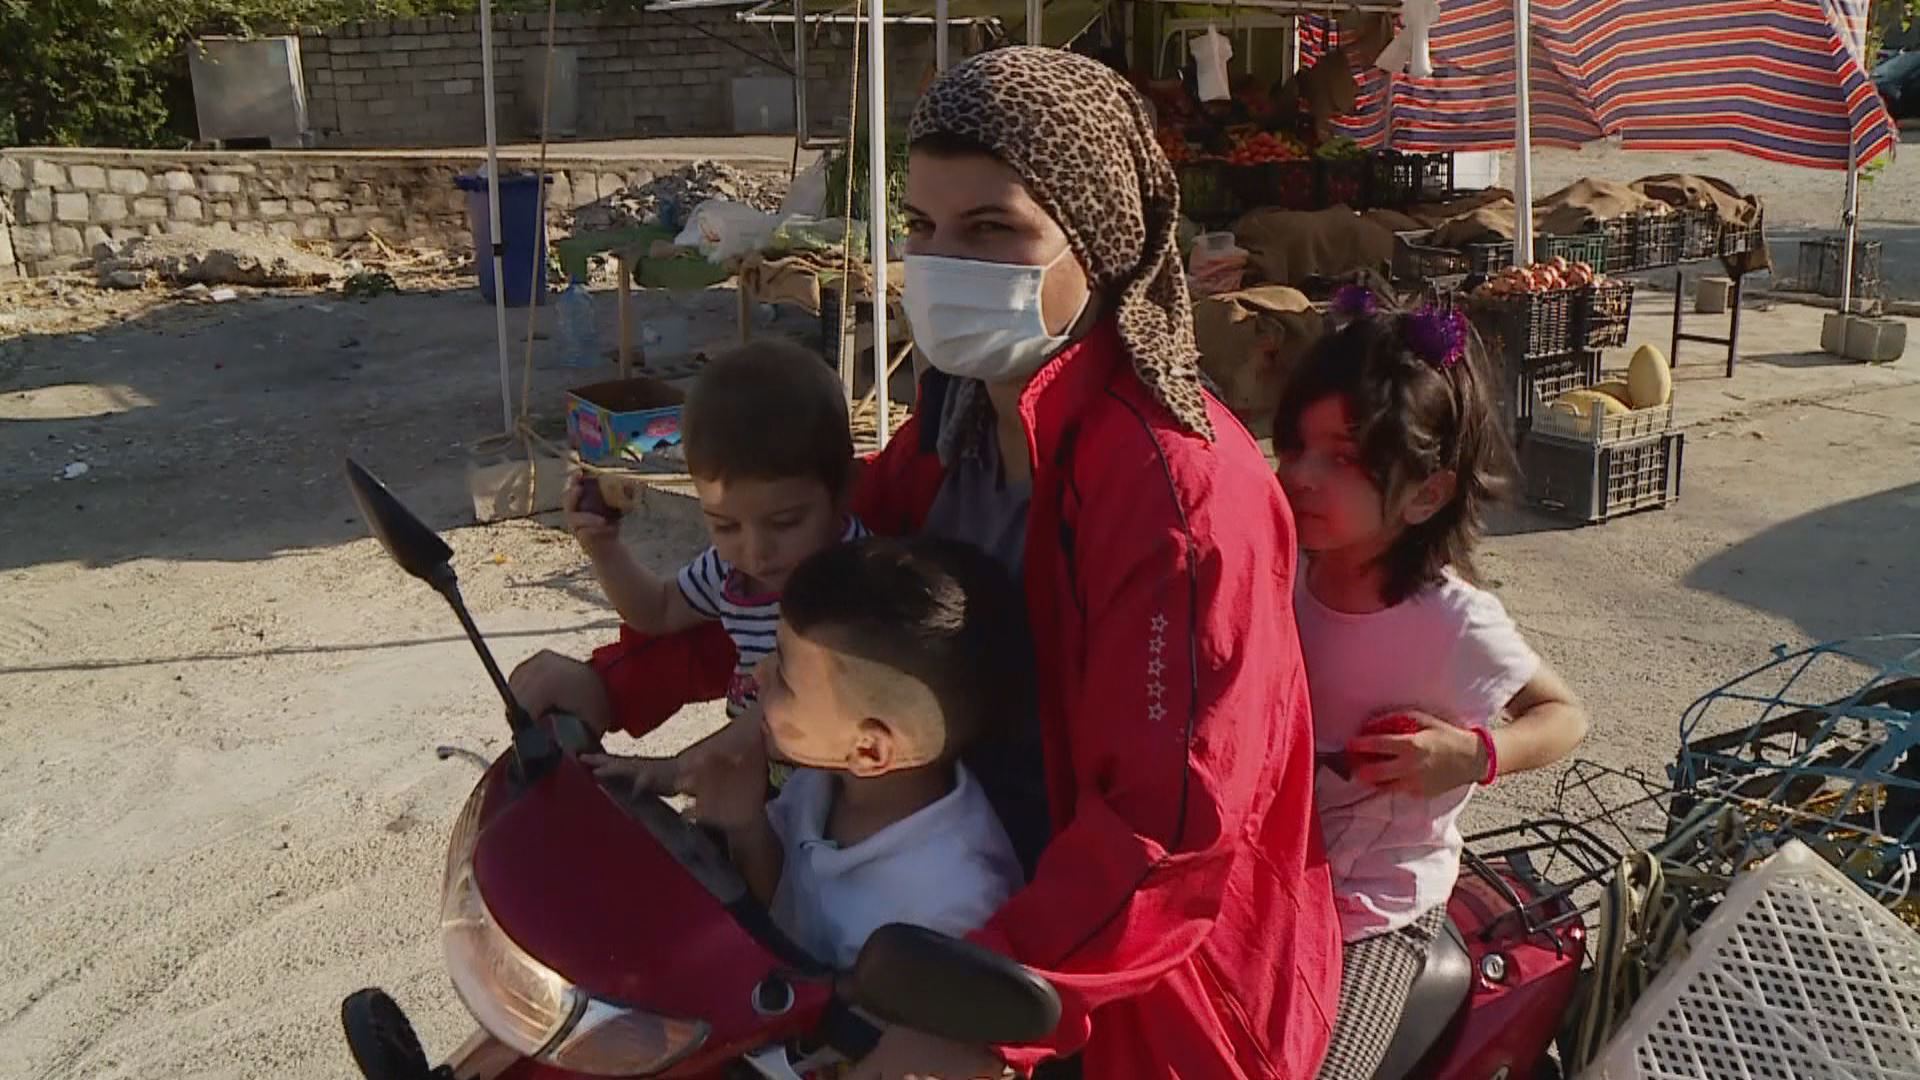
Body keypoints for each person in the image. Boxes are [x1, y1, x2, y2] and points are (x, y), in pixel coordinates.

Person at [511, 47, 1341, 1080]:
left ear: (1101, 244)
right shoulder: (950, 423)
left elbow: (1167, 836)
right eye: (921, 227)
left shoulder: (1175, 493)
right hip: (939, 897)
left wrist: (973, 1003)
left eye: (991, 228)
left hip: (1129, 994)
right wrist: (614, 681)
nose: (943, 262)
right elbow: (813, 600)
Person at [1271, 290, 1590, 1080]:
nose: (1302, 477)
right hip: (1274, 875)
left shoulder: (1449, 620)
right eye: (1295, 446)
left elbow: (1563, 714)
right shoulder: (1279, 567)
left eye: (1343, 458)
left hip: (1374, 910)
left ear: (1426, 492)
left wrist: (1474, 754)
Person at [585, 536, 1026, 969]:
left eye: (785, 677)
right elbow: (783, 896)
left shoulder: (951, 909)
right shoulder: (826, 779)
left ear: (870, 749)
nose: (758, 675)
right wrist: (747, 825)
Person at [564, 339, 865, 729]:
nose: (757, 554)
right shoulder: (728, 571)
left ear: (844, 492)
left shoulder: (860, 584)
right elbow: (659, 611)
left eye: (786, 522)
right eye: (725, 526)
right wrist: (604, 550)